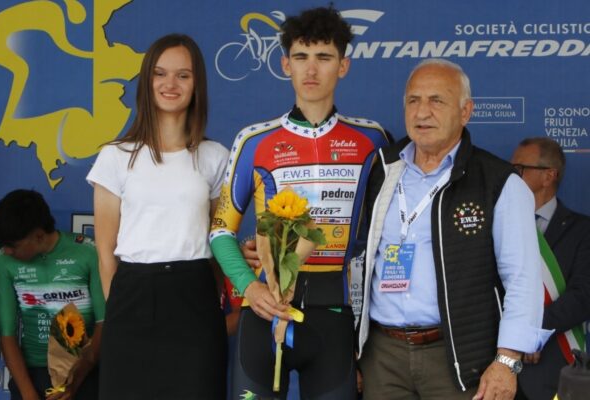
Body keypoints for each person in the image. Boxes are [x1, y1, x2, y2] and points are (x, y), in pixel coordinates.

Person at [210, 6, 390, 399]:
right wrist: (249, 288)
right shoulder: (254, 141)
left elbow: (386, 228)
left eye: (324, 57)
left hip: (334, 315)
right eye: (301, 57)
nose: (311, 69)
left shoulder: (372, 140)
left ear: (343, 66)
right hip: (265, 309)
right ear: (285, 65)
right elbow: (220, 231)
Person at [357, 58, 552, 400]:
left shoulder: (498, 182)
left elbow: (522, 279)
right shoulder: (380, 170)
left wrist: (508, 361)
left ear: (465, 112)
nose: (422, 112)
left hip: (460, 357)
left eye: (437, 100)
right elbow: (356, 261)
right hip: (383, 356)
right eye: (414, 100)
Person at [87, 33, 229, 399]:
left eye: (183, 75)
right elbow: (105, 253)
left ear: (197, 84)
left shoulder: (215, 156)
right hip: (132, 297)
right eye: (160, 73)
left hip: (195, 297)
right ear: (146, 81)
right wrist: (119, 306)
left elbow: (220, 240)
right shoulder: (115, 157)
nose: (171, 84)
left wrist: (211, 294)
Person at [0, 189, 104, 400]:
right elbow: (7, 334)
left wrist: (75, 381)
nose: (7, 251)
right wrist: (28, 395)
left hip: (85, 369)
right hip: (31, 373)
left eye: (13, 245)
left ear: (39, 235)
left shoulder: (88, 251)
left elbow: (103, 323)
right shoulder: (3, 261)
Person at [511, 137, 590, 400]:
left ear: (548, 176)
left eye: (519, 168)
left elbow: (583, 295)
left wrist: (532, 332)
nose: (511, 175)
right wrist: (515, 338)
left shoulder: (583, 230)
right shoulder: (497, 226)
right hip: (498, 367)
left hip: (553, 366)